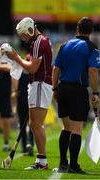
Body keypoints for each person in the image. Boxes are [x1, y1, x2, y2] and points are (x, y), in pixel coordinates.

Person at [52, 17, 100, 174]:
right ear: (91, 31)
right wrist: (95, 92)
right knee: (77, 129)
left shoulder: (64, 45)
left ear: (77, 29)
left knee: (66, 128)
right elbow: (93, 71)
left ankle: (62, 164)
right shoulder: (92, 47)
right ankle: (73, 165)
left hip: (62, 89)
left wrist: (55, 89)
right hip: (78, 90)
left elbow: (55, 69)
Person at [5, 17, 53, 170]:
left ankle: (42, 161)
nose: (24, 38)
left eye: (25, 34)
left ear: (31, 29)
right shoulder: (38, 41)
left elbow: (32, 68)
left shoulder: (39, 42)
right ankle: (41, 160)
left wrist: (16, 58)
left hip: (40, 84)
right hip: (38, 84)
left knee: (36, 124)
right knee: (34, 124)